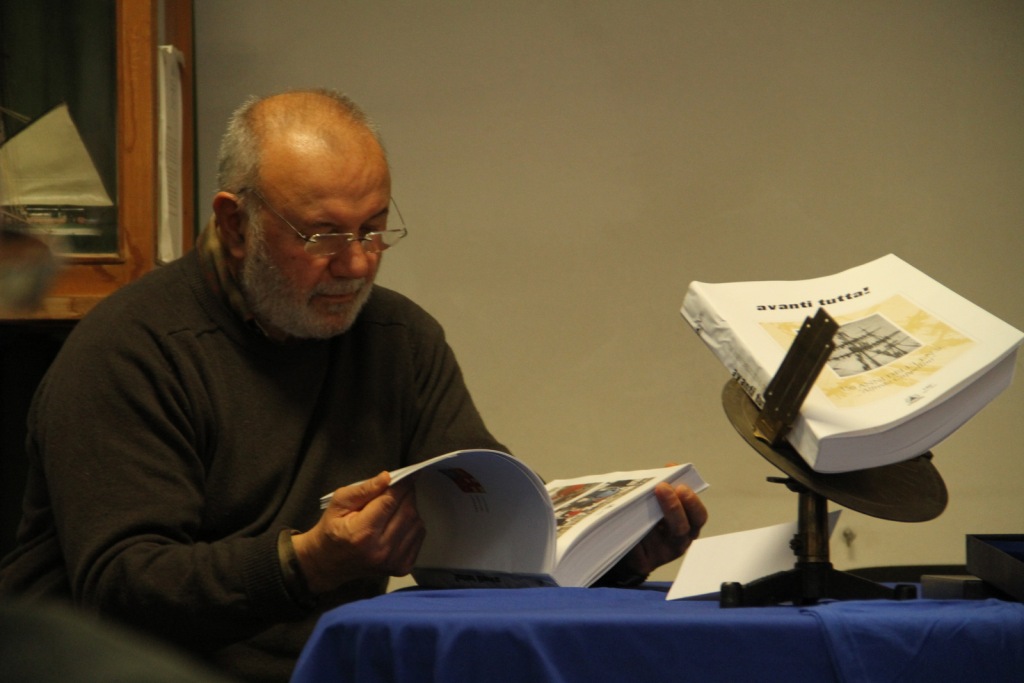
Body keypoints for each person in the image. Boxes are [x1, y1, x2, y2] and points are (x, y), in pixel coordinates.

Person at [0, 89, 708, 682]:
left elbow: (487, 532)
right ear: (235, 224)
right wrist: (305, 561)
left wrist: (613, 559)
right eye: (323, 236)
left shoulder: (398, 339)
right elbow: (122, 587)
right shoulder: (132, 349)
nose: (359, 264)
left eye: (373, 229)